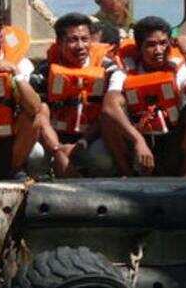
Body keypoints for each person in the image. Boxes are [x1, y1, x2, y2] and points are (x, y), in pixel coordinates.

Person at [101, 16, 186, 177]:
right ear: (139, 48)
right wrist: (138, 140)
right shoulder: (125, 68)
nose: (159, 50)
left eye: (163, 43)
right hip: (138, 141)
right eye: (151, 45)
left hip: (171, 141)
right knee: (107, 117)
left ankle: (185, 174)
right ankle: (127, 175)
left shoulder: (177, 66)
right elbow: (109, 106)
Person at [28, 12, 126, 177]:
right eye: (73, 40)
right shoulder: (43, 72)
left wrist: (82, 143)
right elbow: (41, 115)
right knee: (34, 154)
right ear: (59, 43)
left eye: (85, 39)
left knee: (102, 157)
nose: (80, 46)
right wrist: (57, 150)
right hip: (54, 140)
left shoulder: (108, 69)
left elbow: (107, 113)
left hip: (91, 138)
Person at [0, 27, 54, 180]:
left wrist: (16, 72)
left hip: (4, 146)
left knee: (36, 115)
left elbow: (34, 107)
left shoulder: (9, 76)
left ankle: (13, 171)